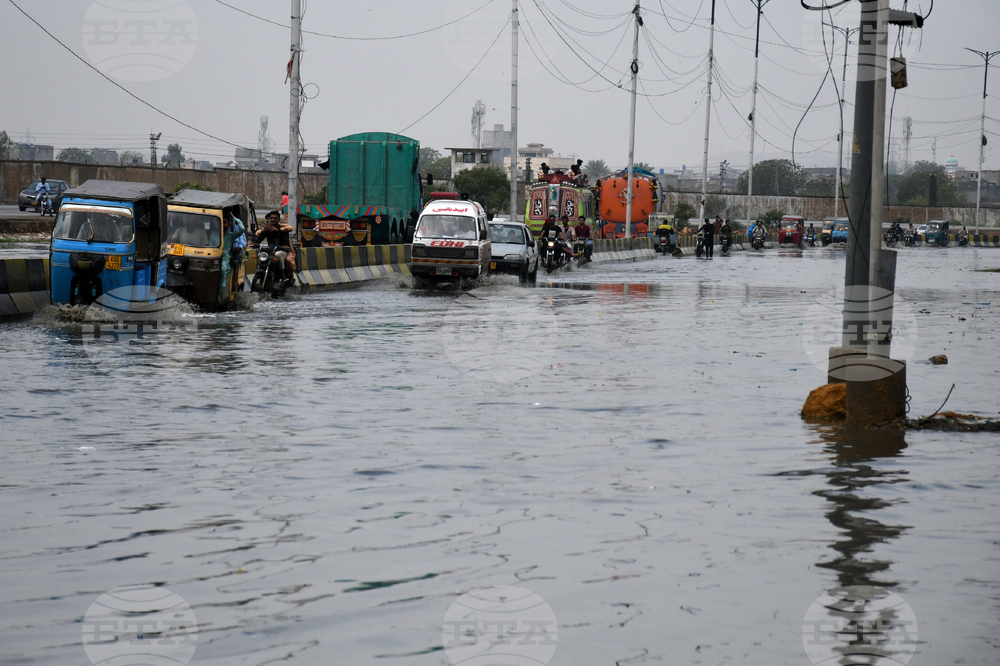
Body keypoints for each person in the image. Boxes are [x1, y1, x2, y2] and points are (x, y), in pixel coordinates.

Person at [255, 210, 294, 284]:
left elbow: (286, 242)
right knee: (260, 255)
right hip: (271, 250)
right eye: (271, 218)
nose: (273, 219)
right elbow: (259, 238)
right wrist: (254, 242)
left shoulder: (282, 229)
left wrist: (285, 246)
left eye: (275, 218)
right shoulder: (267, 229)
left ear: (279, 219)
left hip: (281, 250)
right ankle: (261, 271)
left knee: (278, 254)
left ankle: (283, 275)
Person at [219, 210, 246, 298]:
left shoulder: (230, 236)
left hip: (225, 260)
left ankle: (220, 292)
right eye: (221, 222)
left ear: (229, 225)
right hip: (215, 257)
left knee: (223, 269)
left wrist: (234, 218)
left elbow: (242, 229)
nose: (223, 225)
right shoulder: (213, 235)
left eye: (225, 223)